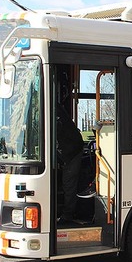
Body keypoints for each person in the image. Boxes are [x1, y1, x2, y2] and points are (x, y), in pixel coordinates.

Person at [56, 91, 84, 226]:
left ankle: (67, 215)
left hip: (72, 151)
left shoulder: (52, 112)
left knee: (69, 183)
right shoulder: (53, 108)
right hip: (67, 151)